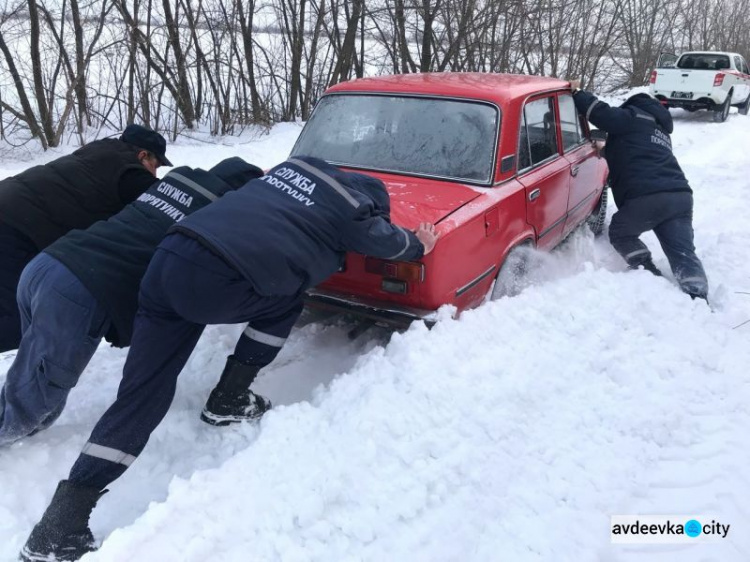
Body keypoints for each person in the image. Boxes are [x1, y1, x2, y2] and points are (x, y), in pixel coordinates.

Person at [20, 156, 439, 562]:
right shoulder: (355, 209)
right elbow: (394, 243)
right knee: (286, 300)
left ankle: (60, 525)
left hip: (167, 261)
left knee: (140, 396)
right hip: (216, 280)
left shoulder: (295, 168)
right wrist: (421, 241)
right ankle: (229, 399)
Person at [0, 157, 263, 447]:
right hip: (77, 287)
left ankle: (21, 429)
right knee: (34, 395)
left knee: (32, 372)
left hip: (47, 263)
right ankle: (9, 439)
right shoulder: (219, 212)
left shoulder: (174, 185)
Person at [0, 124, 172, 353]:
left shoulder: (96, 151)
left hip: (9, 203)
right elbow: (167, 203)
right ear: (143, 155)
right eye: (155, 165)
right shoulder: (130, 173)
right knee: (15, 321)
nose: (154, 172)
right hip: (17, 227)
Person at [569, 80, 708, 302]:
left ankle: (646, 269)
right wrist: (607, 151)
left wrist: (577, 92)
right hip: (680, 197)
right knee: (682, 251)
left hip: (647, 197)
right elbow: (637, 154)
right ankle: (698, 297)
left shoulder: (632, 116)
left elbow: (600, 113)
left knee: (620, 232)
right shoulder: (660, 131)